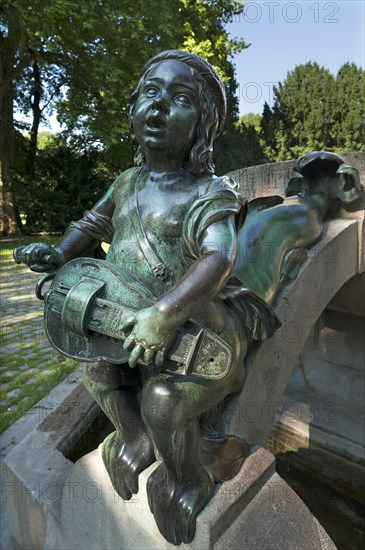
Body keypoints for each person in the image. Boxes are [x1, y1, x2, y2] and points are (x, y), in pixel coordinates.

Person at [14, 50, 280, 545]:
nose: (160, 107)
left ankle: (185, 478)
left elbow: (218, 259)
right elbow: (91, 224)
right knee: (97, 371)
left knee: (162, 401)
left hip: (197, 344)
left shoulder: (207, 192)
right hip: (127, 330)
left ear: (201, 127)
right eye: (152, 93)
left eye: (180, 100)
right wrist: (59, 253)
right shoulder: (126, 182)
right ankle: (132, 437)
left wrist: (164, 313)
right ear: (134, 106)